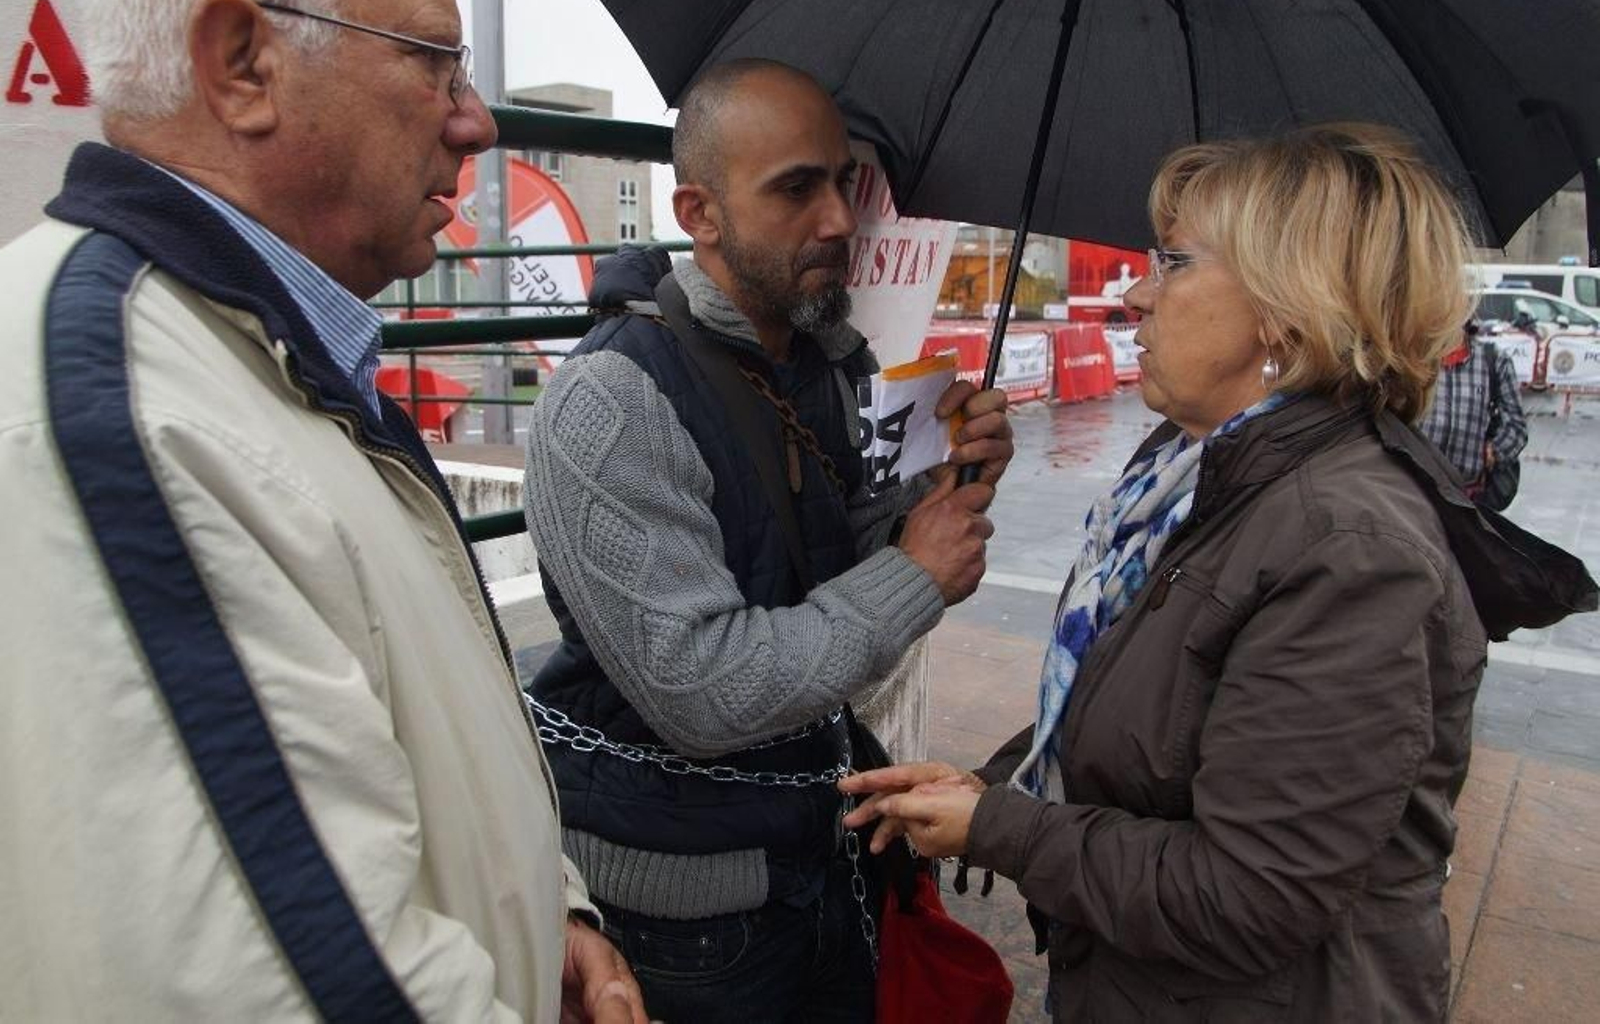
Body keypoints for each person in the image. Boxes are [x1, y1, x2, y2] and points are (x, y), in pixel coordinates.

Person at [0, 0, 645, 1020]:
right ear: (245, 65)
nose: (475, 122)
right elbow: (278, 979)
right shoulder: (138, 413)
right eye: (437, 63)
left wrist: (548, 919)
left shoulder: (235, 359)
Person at [841, 124, 1596, 1022]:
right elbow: (1140, 710)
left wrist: (999, 828)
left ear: (1285, 304)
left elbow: (1248, 895)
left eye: (1173, 262)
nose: (1134, 293)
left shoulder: (1348, 546)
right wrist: (995, 784)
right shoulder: (1188, 468)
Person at [521, 58, 1012, 1022]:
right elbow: (701, 685)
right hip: (690, 912)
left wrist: (945, 482)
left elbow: (827, 557)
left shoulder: (828, 355)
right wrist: (916, 571)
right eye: (796, 188)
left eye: (845, 182)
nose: (838, 220)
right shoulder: (611, 403)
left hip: (819, 852)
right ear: (700, 213)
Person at [1416, 319, 1528, 509]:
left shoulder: (1494, 360)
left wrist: (1492, 453)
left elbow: (1516, 427)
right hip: (1416, 489)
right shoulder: (1414, 358)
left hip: (1469, 497)